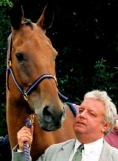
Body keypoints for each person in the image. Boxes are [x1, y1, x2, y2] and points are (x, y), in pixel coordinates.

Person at [12, 90, 118, 161]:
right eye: (81, 110)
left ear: (106, 125)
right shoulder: (52, 152)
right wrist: (21, 150)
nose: (82, 115)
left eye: (91, 114)